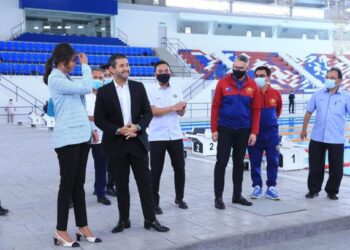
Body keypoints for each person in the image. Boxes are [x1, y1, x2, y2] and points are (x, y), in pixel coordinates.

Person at [94, 54, 169, 233]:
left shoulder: (138, 87)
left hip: (137, 142)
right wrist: (118, 130)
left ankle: (150, 220)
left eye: (127, 65)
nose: (126, 68)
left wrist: (136, 127)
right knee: (121, 185)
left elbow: (147, 113)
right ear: (112, 69)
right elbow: (99, 119)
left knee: (145, 184)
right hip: (116, 144)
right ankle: (123, 220)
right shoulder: (104, 92)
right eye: (121, 65)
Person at [44, 43, 101, 247]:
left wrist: (90, 127)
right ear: (63, 61)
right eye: (73, 62)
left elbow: (78, 107)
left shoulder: (66, 78)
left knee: (78, 184)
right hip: (67, 140)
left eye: (77, 62)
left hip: (81, 136)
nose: (75, 65)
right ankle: (60, 230)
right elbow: (87, 87)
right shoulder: (55, 78)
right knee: (67, 185)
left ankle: (82, 226)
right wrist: (86, 66)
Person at [211, 54, 261, 209]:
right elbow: (215, 107)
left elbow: (256, 110)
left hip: (243, 130)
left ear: (247, 68)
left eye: (241, 68)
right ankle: (218, 197)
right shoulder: (222, 83)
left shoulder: (252, 86)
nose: (237, 70)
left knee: (239, 164)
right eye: (235, 68)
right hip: (225, 128)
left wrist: (254, 132)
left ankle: (237, 195)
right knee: (221, 163)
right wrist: (214, 129)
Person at [301, 67, 350, 201]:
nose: (329, 80)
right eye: (327, 77)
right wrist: (303, 129)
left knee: (336, 168)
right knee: (315, 166)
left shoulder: (346, 96)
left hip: (336, 138)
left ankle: (332, 191)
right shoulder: (318, 94)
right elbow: (308, 112)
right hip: (317, 137)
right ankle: (313, 190)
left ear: (339, 81)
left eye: (332, 78)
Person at [148, 60, 188, 215]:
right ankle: (154, 203)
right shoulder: (150, 91)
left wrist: (182, 109)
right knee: (156, 171)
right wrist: (173, 107)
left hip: (175, 135)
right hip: (157, 137)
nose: (164, 73)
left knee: (180, 168)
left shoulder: (177, 89)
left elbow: (181, 112)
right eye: (160, 71)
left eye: (166, 70)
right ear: (155, 74)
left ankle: (180, 198)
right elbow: (153, 112)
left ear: (170, 72)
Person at [248, 66, 282, 200]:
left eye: (261, 75)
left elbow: (277, 111)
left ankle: (271, 187)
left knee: (273, 160)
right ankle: (257, 186)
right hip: (254, 134)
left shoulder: (276, 93)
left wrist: (270, 123)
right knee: (255, 161)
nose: (258, 78)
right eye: (256, 75)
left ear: (268, 77)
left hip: (271, 134)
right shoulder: (250, 93)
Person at [85, 68, 111, 206]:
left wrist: (96, 118)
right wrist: (94, 121)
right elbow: (83, 115)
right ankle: (72, 196)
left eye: (100, 78)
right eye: (95, 77)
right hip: (84, 135)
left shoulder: (106, 95)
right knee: (78, 168)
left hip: (101, 137)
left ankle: (101, 193)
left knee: (101, 167)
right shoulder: (83, 95)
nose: (98, 80)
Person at [100, 63, 117, 196]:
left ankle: (110, 185)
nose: (106, 78)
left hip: (112, 133)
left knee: (112, 163)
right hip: (96, 133)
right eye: (103, 76)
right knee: (100, 164)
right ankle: (100, 187)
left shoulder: (114, 91)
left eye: (108, 75)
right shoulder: (96, 92)